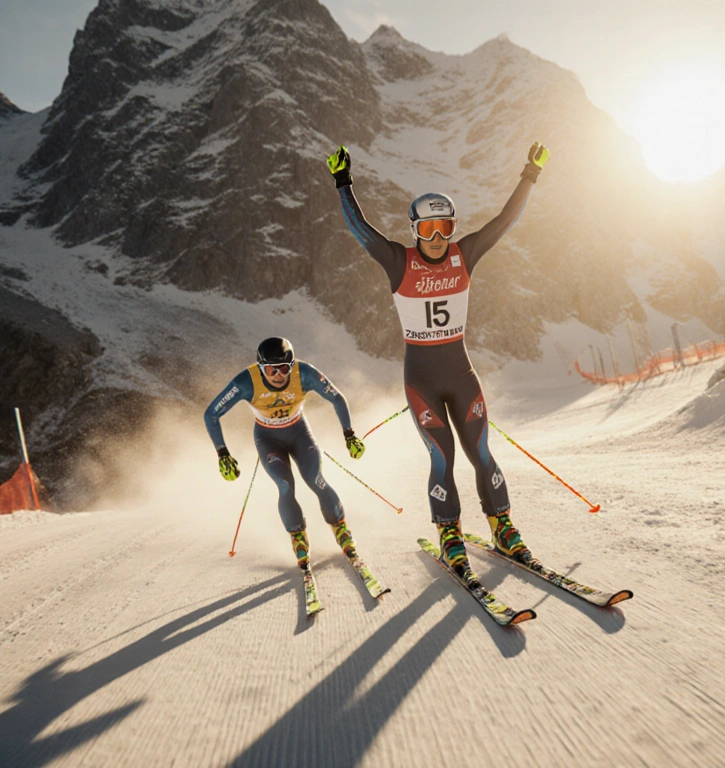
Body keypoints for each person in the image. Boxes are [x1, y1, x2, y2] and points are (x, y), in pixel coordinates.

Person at [326, 141, 549, 587]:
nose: (436, 238)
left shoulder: (464, 254)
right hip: (422, 380)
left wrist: (529, 174)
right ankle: (449, 534)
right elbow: (361, 229)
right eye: (427, 229)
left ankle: (502, 528)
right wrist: (342, 183)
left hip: (461, 375)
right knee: (441, 457)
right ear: (414, 231)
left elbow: (504, 221)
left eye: (444, 227)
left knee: (483, 454)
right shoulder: (397, 261)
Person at [205, 337, 367, 571]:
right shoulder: (246, 382)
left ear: (291, 366)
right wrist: (222, 454)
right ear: (261, 368)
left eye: (283, 369)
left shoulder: (305, 373)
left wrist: (349, 434)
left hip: (299, 433)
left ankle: (340, 527)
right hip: (268, 439)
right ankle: (298, 537)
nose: (278, 375)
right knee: (285, 486)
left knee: (316, 480)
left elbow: (337, 398)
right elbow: (211, 414)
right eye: (271, 369)